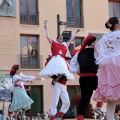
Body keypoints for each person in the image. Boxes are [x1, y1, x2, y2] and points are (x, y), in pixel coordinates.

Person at [39, 23, 80, 120]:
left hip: (63, 83)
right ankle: (52, 115)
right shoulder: (54, 43)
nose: (61, 38)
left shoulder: (65, 44)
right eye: (59, 37)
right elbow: (48, 37)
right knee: (55, 100)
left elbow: (71, 39)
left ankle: (60, 114)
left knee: (67, 102)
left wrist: (75, 33)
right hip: (58, 78)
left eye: (62, 37)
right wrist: (46, 28)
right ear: (57, 39)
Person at [93, 17, 120, 120]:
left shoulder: (105, 36)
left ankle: (110, 118)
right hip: (117, 62)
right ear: (116, 25)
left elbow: (98, 50)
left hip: (107, 65)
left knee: (111, 97)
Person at [70, 34, 98, 120]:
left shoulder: (79, 53)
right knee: (104, 88)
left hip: (83, 78)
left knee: (85, 97)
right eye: (96, 41)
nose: (97, 43)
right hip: (92, 77)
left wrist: (78, 71)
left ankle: (80, 115)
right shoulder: (96, 52)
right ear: (92, 43)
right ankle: (99, 107)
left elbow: (72, 63)